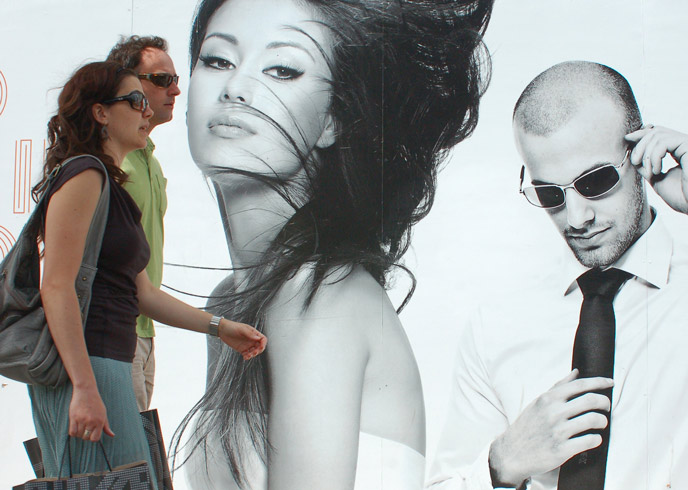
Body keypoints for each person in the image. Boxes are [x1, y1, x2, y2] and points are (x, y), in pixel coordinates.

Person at [174, 0, 492, 488]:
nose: (236, 88)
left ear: (333, 120)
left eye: (282, 69)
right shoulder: (232, 301)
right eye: (218, 60)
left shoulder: (318, 295)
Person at [427, 60, 688, 490]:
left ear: (639, 155)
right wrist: (502, 463)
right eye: (549, 194)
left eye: (595, 181)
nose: (576, 217)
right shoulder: (497, 326)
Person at [30, 61, 266, 485]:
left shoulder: (113, 188)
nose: (146, 111)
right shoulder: (84, 175)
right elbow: (57, 286)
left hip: (109, 363)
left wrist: (220, 327)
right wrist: (84, 387)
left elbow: (143, 294)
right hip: (87, 366)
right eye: (136, 100)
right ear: (101, 112)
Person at [106, 35, 181, 411]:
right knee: (121, 465)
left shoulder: (147, 156)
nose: (176, 90)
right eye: (162, 79)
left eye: (175, 78)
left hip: (143, 329)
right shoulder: (109, 162)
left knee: (133, 465)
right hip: (111, 334)